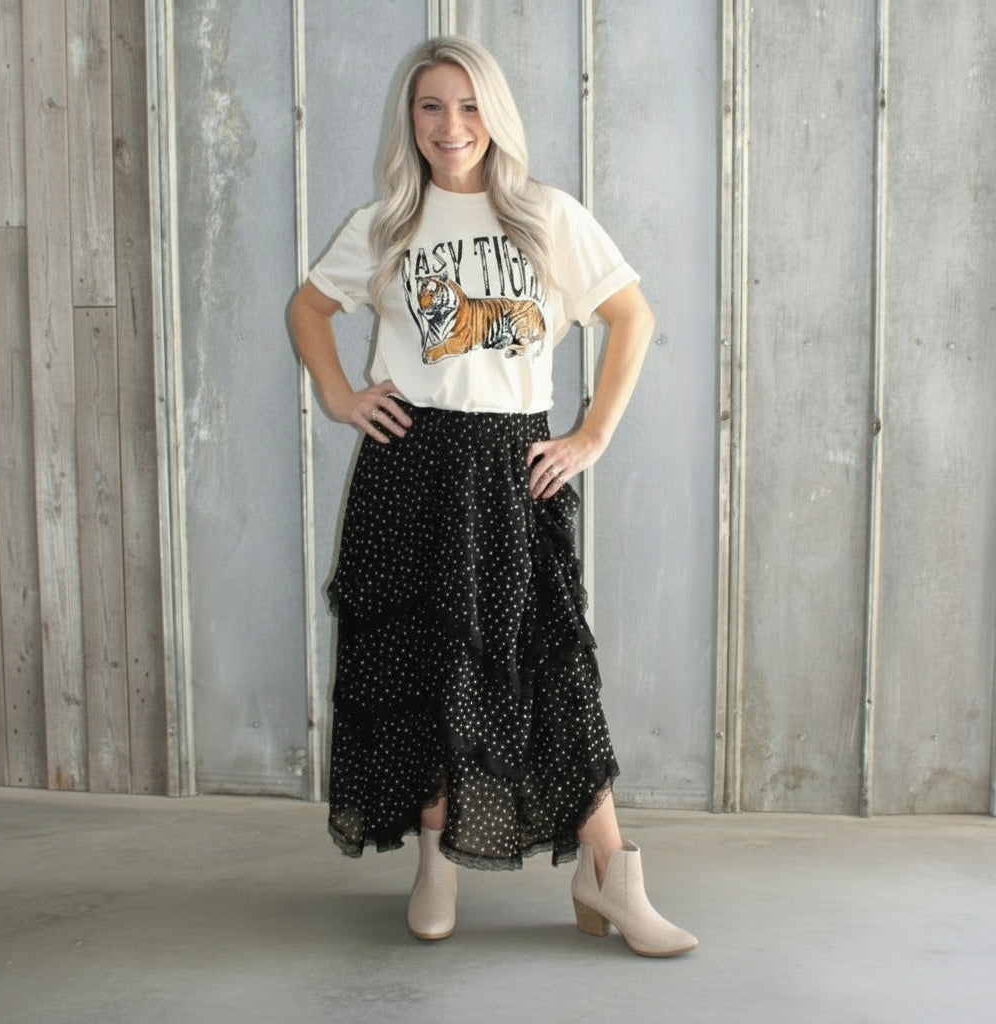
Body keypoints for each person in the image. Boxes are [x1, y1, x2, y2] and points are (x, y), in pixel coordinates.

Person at [289, 35, 696, 958]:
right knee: (425, 668)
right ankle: (435, 859)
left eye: (469, 106)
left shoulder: (547, 216)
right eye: (433, 107)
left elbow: (631, 313)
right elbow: (307, 309)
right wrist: (341, 395)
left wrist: (592, 433)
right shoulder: (388, 221)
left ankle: (612, 877)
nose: (451, 126)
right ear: (412, 119)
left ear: (495, 117)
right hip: (410, 464)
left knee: (548, 667)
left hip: (514, 464)